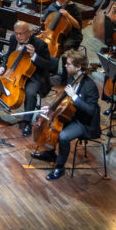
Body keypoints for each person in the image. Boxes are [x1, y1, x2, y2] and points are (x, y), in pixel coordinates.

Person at [31, 48, 101, 180]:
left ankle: (60, 167)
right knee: (50, 124)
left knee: (63, 136)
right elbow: (63, 98)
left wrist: (75, 97)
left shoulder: (89, 86)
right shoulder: (72, 77)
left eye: (68, 64)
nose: (65, 66)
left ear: (78, 67)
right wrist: (51, 109)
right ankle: (50, 153)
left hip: (84, 122)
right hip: (71, 115)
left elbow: (91, 111)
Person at [0, 21, 52, 136]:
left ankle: (27, 122)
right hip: (14, 72)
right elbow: (9, 55)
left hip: (34, 75)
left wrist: (34, 56)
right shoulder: (13, 39)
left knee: (30, 92)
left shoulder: (40, 44)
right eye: (16, 33)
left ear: (29, 32)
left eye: (21, 33)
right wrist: (3, 67)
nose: (18, 36)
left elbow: (48, 65)